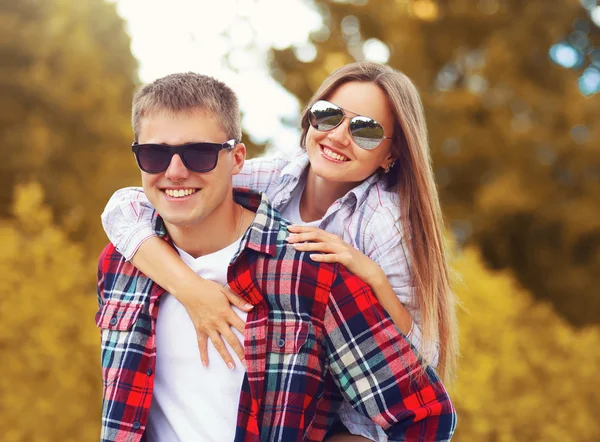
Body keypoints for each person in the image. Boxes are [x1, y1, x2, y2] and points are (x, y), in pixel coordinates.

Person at [96, 71, 456, 442]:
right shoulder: (274, 176)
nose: (337, 136)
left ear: (391, 153)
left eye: (365, 130)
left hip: (355, 415)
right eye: (329, 116)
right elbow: (125, 207)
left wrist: (372, 277)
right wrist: (191, 290)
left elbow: (419, 370)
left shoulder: (376, 231)